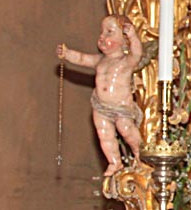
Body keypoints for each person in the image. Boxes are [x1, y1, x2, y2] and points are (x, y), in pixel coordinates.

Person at [56, 15, 143, 175]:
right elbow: (82, 59)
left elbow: (137, 53)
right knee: (104, 134)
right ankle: (114, 162)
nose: (102, 37)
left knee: (126, 130)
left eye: (109, 32)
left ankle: (140, 156)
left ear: (124, 40)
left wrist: (133, 36)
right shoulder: (100, 60)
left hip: (121, 107)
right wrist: (67, 54)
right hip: (101, 106)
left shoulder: (126, 62)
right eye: (102, 32)